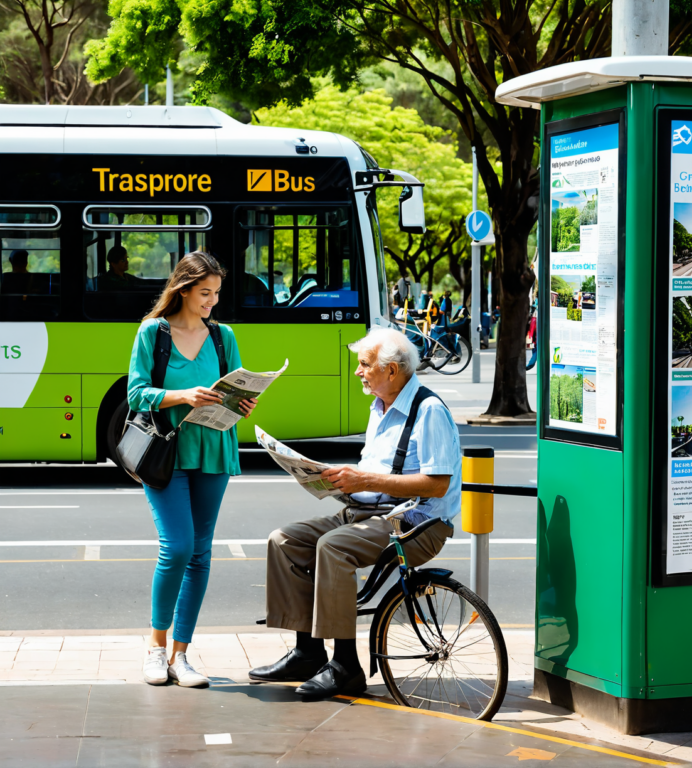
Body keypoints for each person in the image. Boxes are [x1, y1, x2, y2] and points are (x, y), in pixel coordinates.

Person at [249, 328, 461, 699]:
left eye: (364, 365)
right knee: (284, 541)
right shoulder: (379, 406)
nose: (358, 372)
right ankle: (308, 652)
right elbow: (373, 474)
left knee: (332, 547)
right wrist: (336, 480)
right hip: (366, 511)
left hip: (416, 523)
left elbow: (437, 484)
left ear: (392, 371)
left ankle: (346, 665)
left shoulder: (428, 411)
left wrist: (364, 478)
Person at [127, 251, 257, 688]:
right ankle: (155, 648)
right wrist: (182, 395)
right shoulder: (153, 333)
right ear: (182, 289)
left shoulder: (223, 336)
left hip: (214, 447)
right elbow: (136, 394)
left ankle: (182, 655)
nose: (212, 302)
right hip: (166, 452)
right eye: (205, 293)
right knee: (177, 548)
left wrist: (243, 402)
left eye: (216, 294)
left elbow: (233, 389)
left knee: (201, 553)